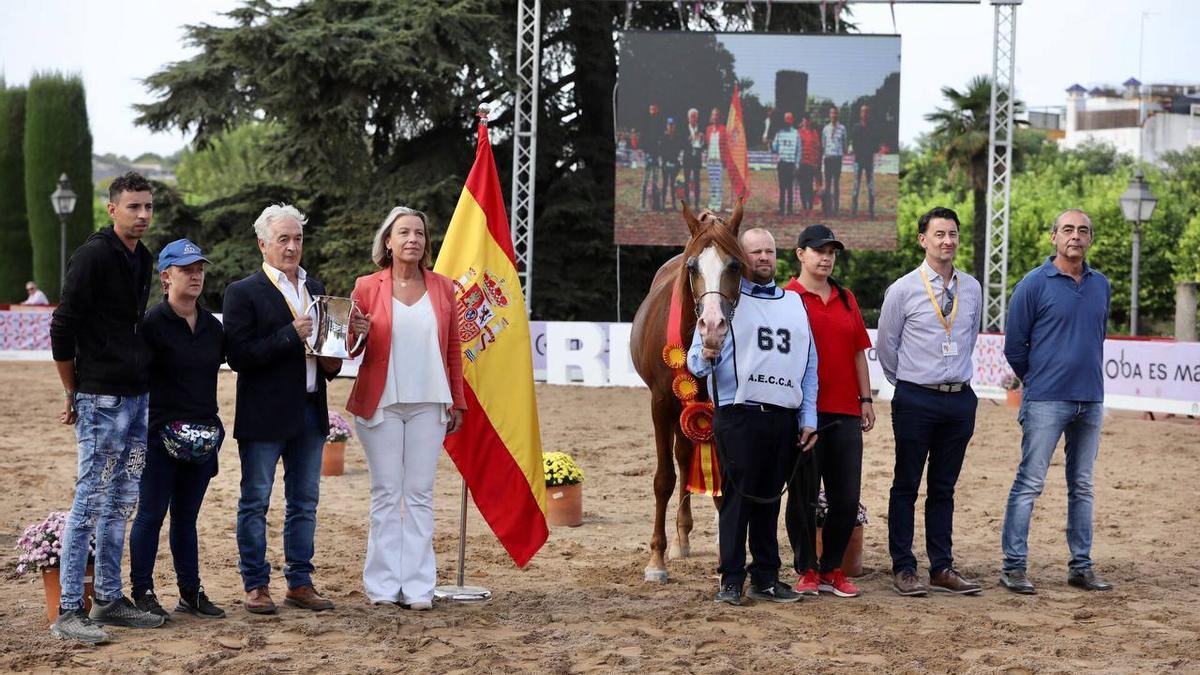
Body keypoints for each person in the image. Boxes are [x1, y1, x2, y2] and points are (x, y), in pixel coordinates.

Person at [48, 171, 163, 643]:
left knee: (124, 500)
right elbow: (62, 328)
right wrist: (73, 391)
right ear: (112, 208)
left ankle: (110, 599)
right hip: (100, 399)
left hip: (137, 400)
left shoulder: (144, 258)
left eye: (148, 207)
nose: (142, 215)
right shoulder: (93, 256)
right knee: (90, 501)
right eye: (133, 206)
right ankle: (70, 610)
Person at [687, 226, 818, 606]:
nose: (763, 257)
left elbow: (809, 364)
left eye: (769, 251)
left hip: (782, 416)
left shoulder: (795, 304)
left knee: (768, 502)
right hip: (738, 413)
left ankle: (766, 576)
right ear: (741, 259)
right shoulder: (723, 302)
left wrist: (808, 415)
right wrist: (705, 353)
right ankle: (731, 578)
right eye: (755, 252)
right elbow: (696, 362)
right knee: (737, 501)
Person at [223, 203, 342, 614]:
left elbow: (328, 358)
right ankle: (256, 584)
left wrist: (343, 346)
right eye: (283, 240)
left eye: (298, 239)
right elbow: (239, 356)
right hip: (264, 414)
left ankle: (300, 582)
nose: (292, 247)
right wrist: (289, 335)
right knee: (255, 501)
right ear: (263, 244)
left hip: (311, 409)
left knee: (305, 502)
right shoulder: (242, 292)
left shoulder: (317, 286)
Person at [345, 207, 466, 610]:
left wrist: (458, 400)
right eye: (404, 233)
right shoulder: (365, 286)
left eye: (419, 233)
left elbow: (453, 348)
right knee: (385, 494)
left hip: (430, 404)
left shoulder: (444, 287)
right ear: (388, 242)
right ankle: (381, 586)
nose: (412, 239)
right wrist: (355, 335)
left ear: (426, 243)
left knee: (419, 495)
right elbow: (349, 349)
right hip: (381, 404)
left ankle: (417, 588)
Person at [1000, 209, 1113, 594]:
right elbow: (1015, 346)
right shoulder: (1032, 285)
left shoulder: (1102, 285)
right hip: (1046, 398)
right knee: (1030, 483)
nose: (1075, 236)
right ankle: (1014, 567)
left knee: (1082, 486)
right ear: (1053, 237)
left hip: (1091, 400)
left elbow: (1096, 337)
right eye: (1068, 229)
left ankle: (1081, 566)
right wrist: (1039, 379)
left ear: (1090, 239)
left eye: (1083, 230)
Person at [876, 206, 983, 597]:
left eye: (953, 233)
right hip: (915, 399)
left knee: (944, 487)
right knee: (906, 484)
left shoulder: (971, 287)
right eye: (939, 234)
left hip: (959, 401)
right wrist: (910, 385)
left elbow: (968, 337)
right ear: (923, 240)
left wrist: (951, 376)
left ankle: (942, 567)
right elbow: (887, 347)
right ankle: (904, 568)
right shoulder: (903, 289)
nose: (947, 241)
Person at [129, 239, 226, 621]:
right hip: (157, 437)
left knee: (186, 518)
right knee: (151, 515)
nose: (196, 275)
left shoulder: (213, 328)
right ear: (166, 276)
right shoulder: (151, 324)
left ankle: (190, 591)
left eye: (200, 268)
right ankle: (143, 591)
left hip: (201, 439)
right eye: (187, 269)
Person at [783, 225, 875, 599]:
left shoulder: (846, 298)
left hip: (846, 413)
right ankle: (806, 568)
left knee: (846, 497)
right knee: (802, 495)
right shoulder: (786, 298)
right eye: (818, 250)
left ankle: (833, 569)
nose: (826, 257)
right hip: (803, 414)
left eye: (832, 251)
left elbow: (858, 352)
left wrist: (866, 399)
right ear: (800, 254)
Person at [850, 105, 880, 218]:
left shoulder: (873, 128)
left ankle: (871, 211)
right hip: (858, 161)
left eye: (867, 112)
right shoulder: (856, 128)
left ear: (869, 114)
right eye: (863, 112)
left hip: (869, 161)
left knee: (871, 187)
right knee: (856, 186)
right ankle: (854, 211)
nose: (865, 114)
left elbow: (876, 145)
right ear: (860, 114)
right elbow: (854, 144)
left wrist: (871, 150)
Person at [771, 112, 801, 216]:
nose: (787, 120)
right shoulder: (779, 133)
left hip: (791, 163)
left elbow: (799, 150)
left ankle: (790, 209)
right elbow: (775, 148)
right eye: (786, 118)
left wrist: (797, 164)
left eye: (789, 118)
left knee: (790, 187)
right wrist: (770, 143)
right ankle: (781, 208)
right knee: (782, 187)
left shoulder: (796, 133)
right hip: (782, 162)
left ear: (792, 120)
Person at [821, 107, 847, 217]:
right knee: (827, 184)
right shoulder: (826, 128)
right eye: (832, 113)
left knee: (836, 184)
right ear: (829, 115)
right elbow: (823, 143)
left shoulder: (842, 128)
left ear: (838, 115)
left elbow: (845, 143)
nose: (834, 115)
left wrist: (841, 153)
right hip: (828, 158)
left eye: (835, 113)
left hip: (837, 158)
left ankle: (836, 209)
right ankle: (827, 209)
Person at [704, 107, 730, 211]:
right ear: (711, 117)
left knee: (718, 183)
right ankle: (712, 202)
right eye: (713, 115)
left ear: (719, 117)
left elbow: (726, 145)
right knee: (712, 183)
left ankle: (718, 204)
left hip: (719, 159)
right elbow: (707, 144)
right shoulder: (708, 129)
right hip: (711, 159)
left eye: (717, 115)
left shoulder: (723, 129)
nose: (715, 117)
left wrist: (725, 159)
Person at [639, 103, 663, 211]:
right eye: (651, 109)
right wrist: (644, 151)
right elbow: (642, 138)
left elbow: (661, 140)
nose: (652, 110)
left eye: (654, 109)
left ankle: (655, 205)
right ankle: (642, 204)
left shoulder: (659, 123)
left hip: (656, 156)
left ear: (657, 110)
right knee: (645, 181)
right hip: (649, 155)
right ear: (649, 110)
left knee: (655, 181)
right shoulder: (645, 122)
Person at [659, 117, 686, 212]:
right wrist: (664, 162)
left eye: (672, 125)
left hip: (674, 164)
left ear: (674, 126)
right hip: (665, 164)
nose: (671, 127)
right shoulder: (663, 137)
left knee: (673, 185)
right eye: (669, 125)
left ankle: (673, 204)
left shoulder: (677, 137)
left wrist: (677, 162)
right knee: (665, 184)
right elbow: (661, 151)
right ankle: (663, 204)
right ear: (667, 126)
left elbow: (679, 150)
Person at [797, 114, 822, 214]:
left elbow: (817, 148)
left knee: (810, 186)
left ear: (810, 121)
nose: (806, 122)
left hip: (812, 163)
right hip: (802, 162)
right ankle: (804, 206)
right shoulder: (798, 133)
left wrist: (817, 161)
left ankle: (810, 206)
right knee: (802, 185)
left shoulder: (814, 133)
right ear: (802, 122)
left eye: (808, 120)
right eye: (804, 120)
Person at [683, 108, 704, 207]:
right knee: (686, 180)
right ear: (688, 118)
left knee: (697, 181)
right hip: (687, 157)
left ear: (697, 118)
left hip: (697, 157)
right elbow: (680, 143)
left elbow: (704, 145)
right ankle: (687, 201)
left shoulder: (701, 129)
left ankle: (696, 203)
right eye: (692, 116)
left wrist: (702, 140)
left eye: (695, 116)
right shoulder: (684, 129)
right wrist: (688, 139)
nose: (694, 118)